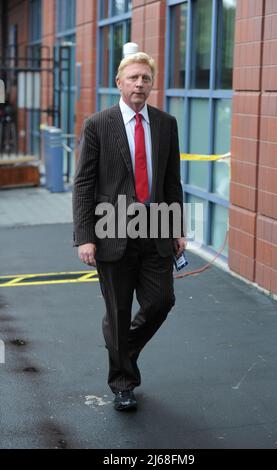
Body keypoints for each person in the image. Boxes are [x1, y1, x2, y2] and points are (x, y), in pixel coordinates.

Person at [73, 50, 186, 411]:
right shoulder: (98, 124)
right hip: (111, 229)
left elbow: (172, 181)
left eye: (146, 78)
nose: (140, 84)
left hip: (155, 227)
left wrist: (176, 228)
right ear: (119, 82)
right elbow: (84, 183)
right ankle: (123, 382)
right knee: (118, 310)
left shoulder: (166, 123)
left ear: (152, 84)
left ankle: (123, 346)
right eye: (134, 77)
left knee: (161, 301)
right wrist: (85, 235)